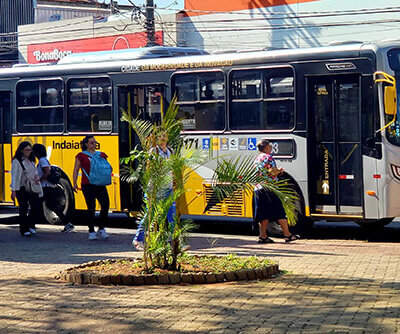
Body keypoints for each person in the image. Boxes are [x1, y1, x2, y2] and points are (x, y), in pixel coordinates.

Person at [132, 131, 176, 250]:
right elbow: (149, 170)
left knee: (172, 215)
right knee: (150, 215)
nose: (163, 139)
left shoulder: (170, 151)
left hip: (168, 188)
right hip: (155, 189)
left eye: (165, 136)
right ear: (155, 139)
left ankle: (170, 240)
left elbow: (173, 169)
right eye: (160, 137)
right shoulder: (153, 152)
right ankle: (138, 239)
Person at [253, 139, 299, 243]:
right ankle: (287, 235)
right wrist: (280, 170)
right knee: (279, 211)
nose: (271, 148)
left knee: (263, 214)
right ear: (266, 148)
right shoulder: (268, 157)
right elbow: (272, 172)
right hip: (270, 188)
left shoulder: (257, 158)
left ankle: (263, 236)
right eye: (270, 146)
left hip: (259, 188)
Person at [72, 135, 110, 240]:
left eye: (95, 142)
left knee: (105, 205)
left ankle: (101, 228)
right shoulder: (81, 156)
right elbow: (76, 169)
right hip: (87, 185)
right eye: (92, 142)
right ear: (86, 144)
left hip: (100, 184)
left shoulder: (101, 154)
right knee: (91, 207)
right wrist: (74, 182)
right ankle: (91, 231)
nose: (94, 144)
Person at [32, 144, 75, 233]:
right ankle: (68, 224)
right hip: (49, 188)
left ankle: (30, 226)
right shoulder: (44, 160)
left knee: (35, 205)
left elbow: (47, 172)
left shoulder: (42, 161)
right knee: (52, 206)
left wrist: (39, 180)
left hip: (46, 188)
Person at [10, 141, 43, 236]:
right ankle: (24, 229)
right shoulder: (17, 161)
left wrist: (37, 178)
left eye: (30, 150)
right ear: (22, 150)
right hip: (22, 187)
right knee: (23, 209)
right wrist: (14, 191)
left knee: (36, 207)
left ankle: (30, 225)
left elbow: (34, 172)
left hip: (33, 186)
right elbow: (15, 176)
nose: (29, 152)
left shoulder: (32, 160)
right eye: (27, 150)